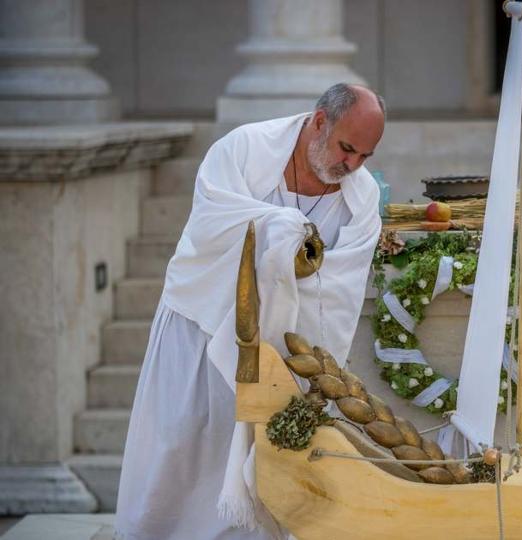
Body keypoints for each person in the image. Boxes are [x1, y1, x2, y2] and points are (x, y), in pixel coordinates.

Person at [114, 84, 385, 539]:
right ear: (320, 121)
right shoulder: (244, 148)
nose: (353, 166)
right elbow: (210, 226)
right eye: (347, 148)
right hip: (201, 323)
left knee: (260, 472)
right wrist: (283, 228)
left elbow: (338, 291)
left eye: (366, 156)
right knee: (178, 444)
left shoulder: (361, 199)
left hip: (280, 352)